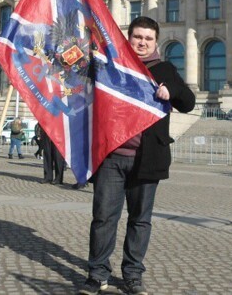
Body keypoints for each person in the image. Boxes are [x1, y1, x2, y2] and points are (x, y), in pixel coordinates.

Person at [79, 16, 195, 295]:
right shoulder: (114, 66)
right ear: (128, 38)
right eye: (137, 37)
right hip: (111, 156)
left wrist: (173, 90)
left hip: (147, 158)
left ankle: (132, 274)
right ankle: (97, 273)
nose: (142, 42)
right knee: (104, 217)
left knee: (140, 220)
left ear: (156, 42)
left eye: (148, 38)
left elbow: (188, 103)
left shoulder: (165, 68)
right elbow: (79, 83)